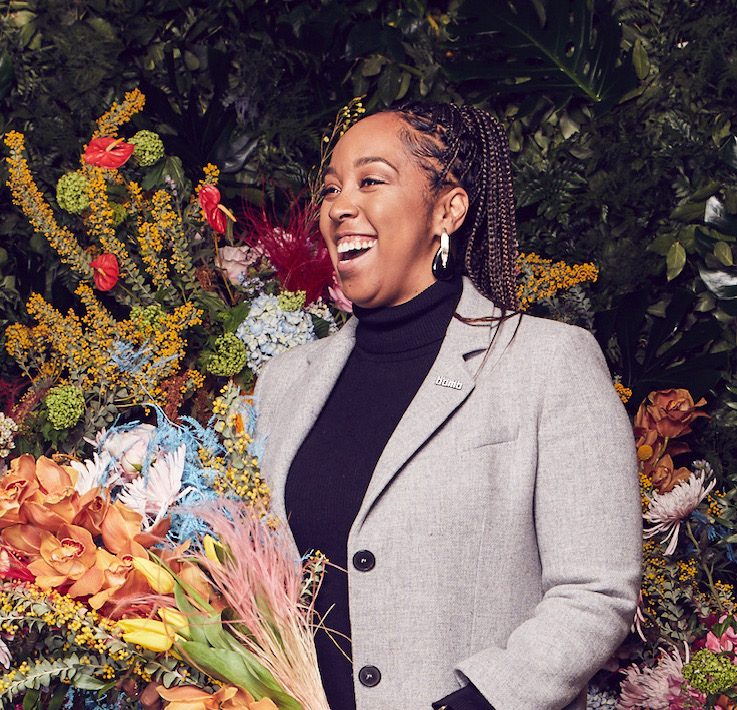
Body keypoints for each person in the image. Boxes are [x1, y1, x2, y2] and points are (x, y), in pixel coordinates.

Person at [253, 102, 642, 710]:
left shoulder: (548, 362)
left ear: (448, 209)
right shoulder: (283, 383)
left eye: (371, 181)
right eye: (331, 187)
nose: (338, 205)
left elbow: (596, 591)